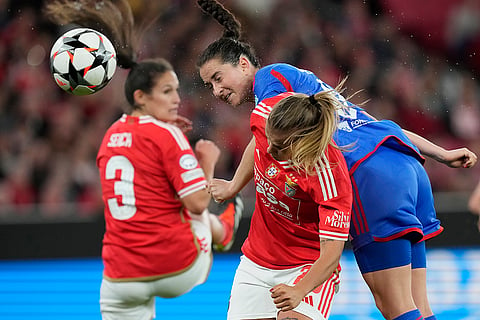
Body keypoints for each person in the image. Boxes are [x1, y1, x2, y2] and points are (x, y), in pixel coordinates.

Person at [195, 1, 478, 320]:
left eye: (218, 78)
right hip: (405, 164)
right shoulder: (310, 93)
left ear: (245, 64)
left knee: (396, 308)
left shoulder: (271, 84)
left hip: (370, 179)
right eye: (210, 85)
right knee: (418, 305)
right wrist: (439, 153)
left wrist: (234, 184)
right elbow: (370, 125)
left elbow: (268, 135)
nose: (216, 90)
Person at [44, 1, 243, 319]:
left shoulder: (109, 136)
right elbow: (195, 204)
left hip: (119, 277)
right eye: (167, 91)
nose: (177, 99)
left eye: (176, 90)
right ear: (141, 97)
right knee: (194, 210)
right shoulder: (169, 136)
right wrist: (205, 160)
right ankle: (222, 229)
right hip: (178, 269)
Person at [209, 89, 353, 319]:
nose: (268, 150)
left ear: (300, 143)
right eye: (269, 140)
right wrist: (233, 185)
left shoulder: (329, 175)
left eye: (278, 148)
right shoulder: (267, 115)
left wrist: (300, 290)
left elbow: (331, 254)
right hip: (256, 263)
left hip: (306, 266)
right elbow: (258, 139)